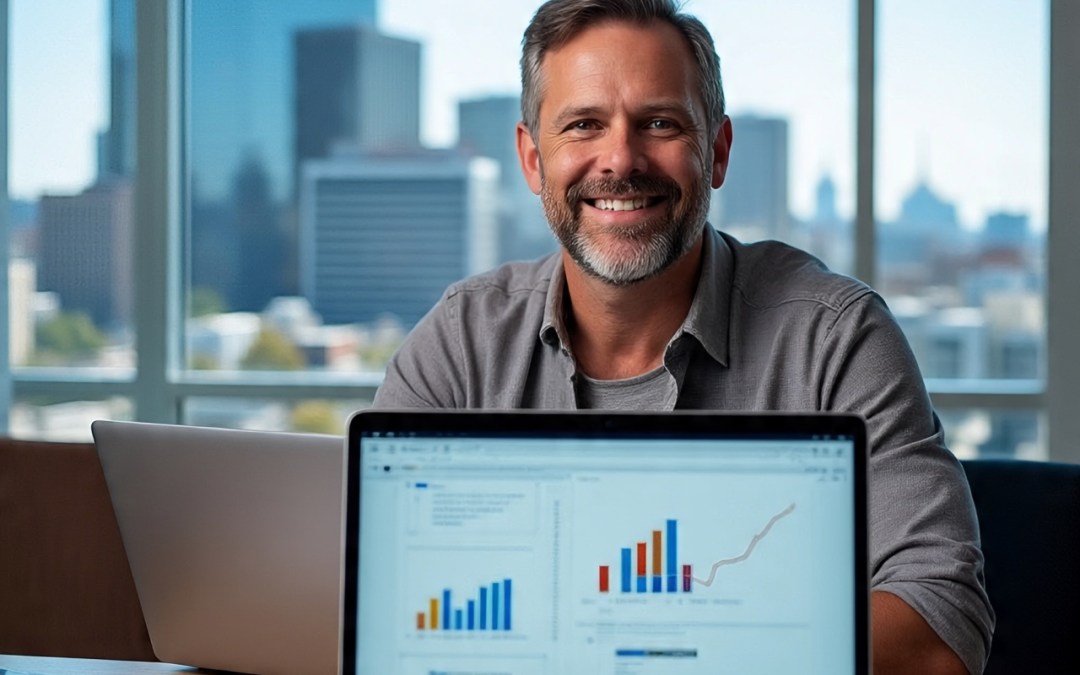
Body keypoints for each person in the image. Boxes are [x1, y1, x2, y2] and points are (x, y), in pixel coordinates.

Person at [373, 0, 994, 672]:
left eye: (659, 123)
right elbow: (369, 607)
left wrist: (658, 644)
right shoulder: (461, 343)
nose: (620, 159)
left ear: (717, 152)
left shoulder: (835, 338)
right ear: (532, 159)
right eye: (583, 125)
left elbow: (940, 631)